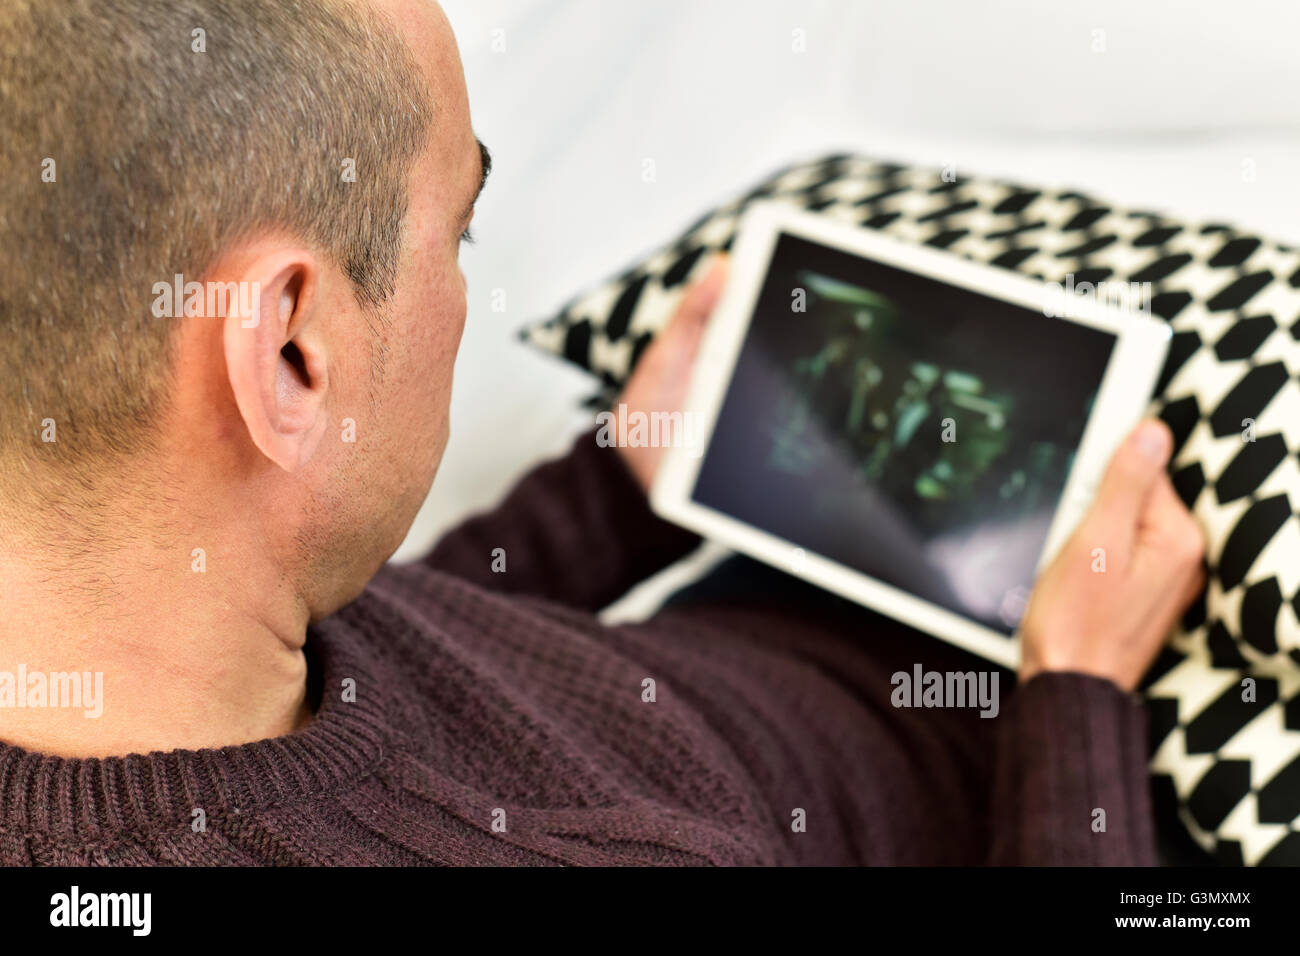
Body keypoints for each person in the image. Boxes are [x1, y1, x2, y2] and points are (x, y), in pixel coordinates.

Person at [0, 0, 1205, 865]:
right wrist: (1078, 704)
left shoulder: (195, 622)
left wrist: (615, 489)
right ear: (291, 355)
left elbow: (405, 673)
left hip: (732, 651)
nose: (462, 286)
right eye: (458, 231)